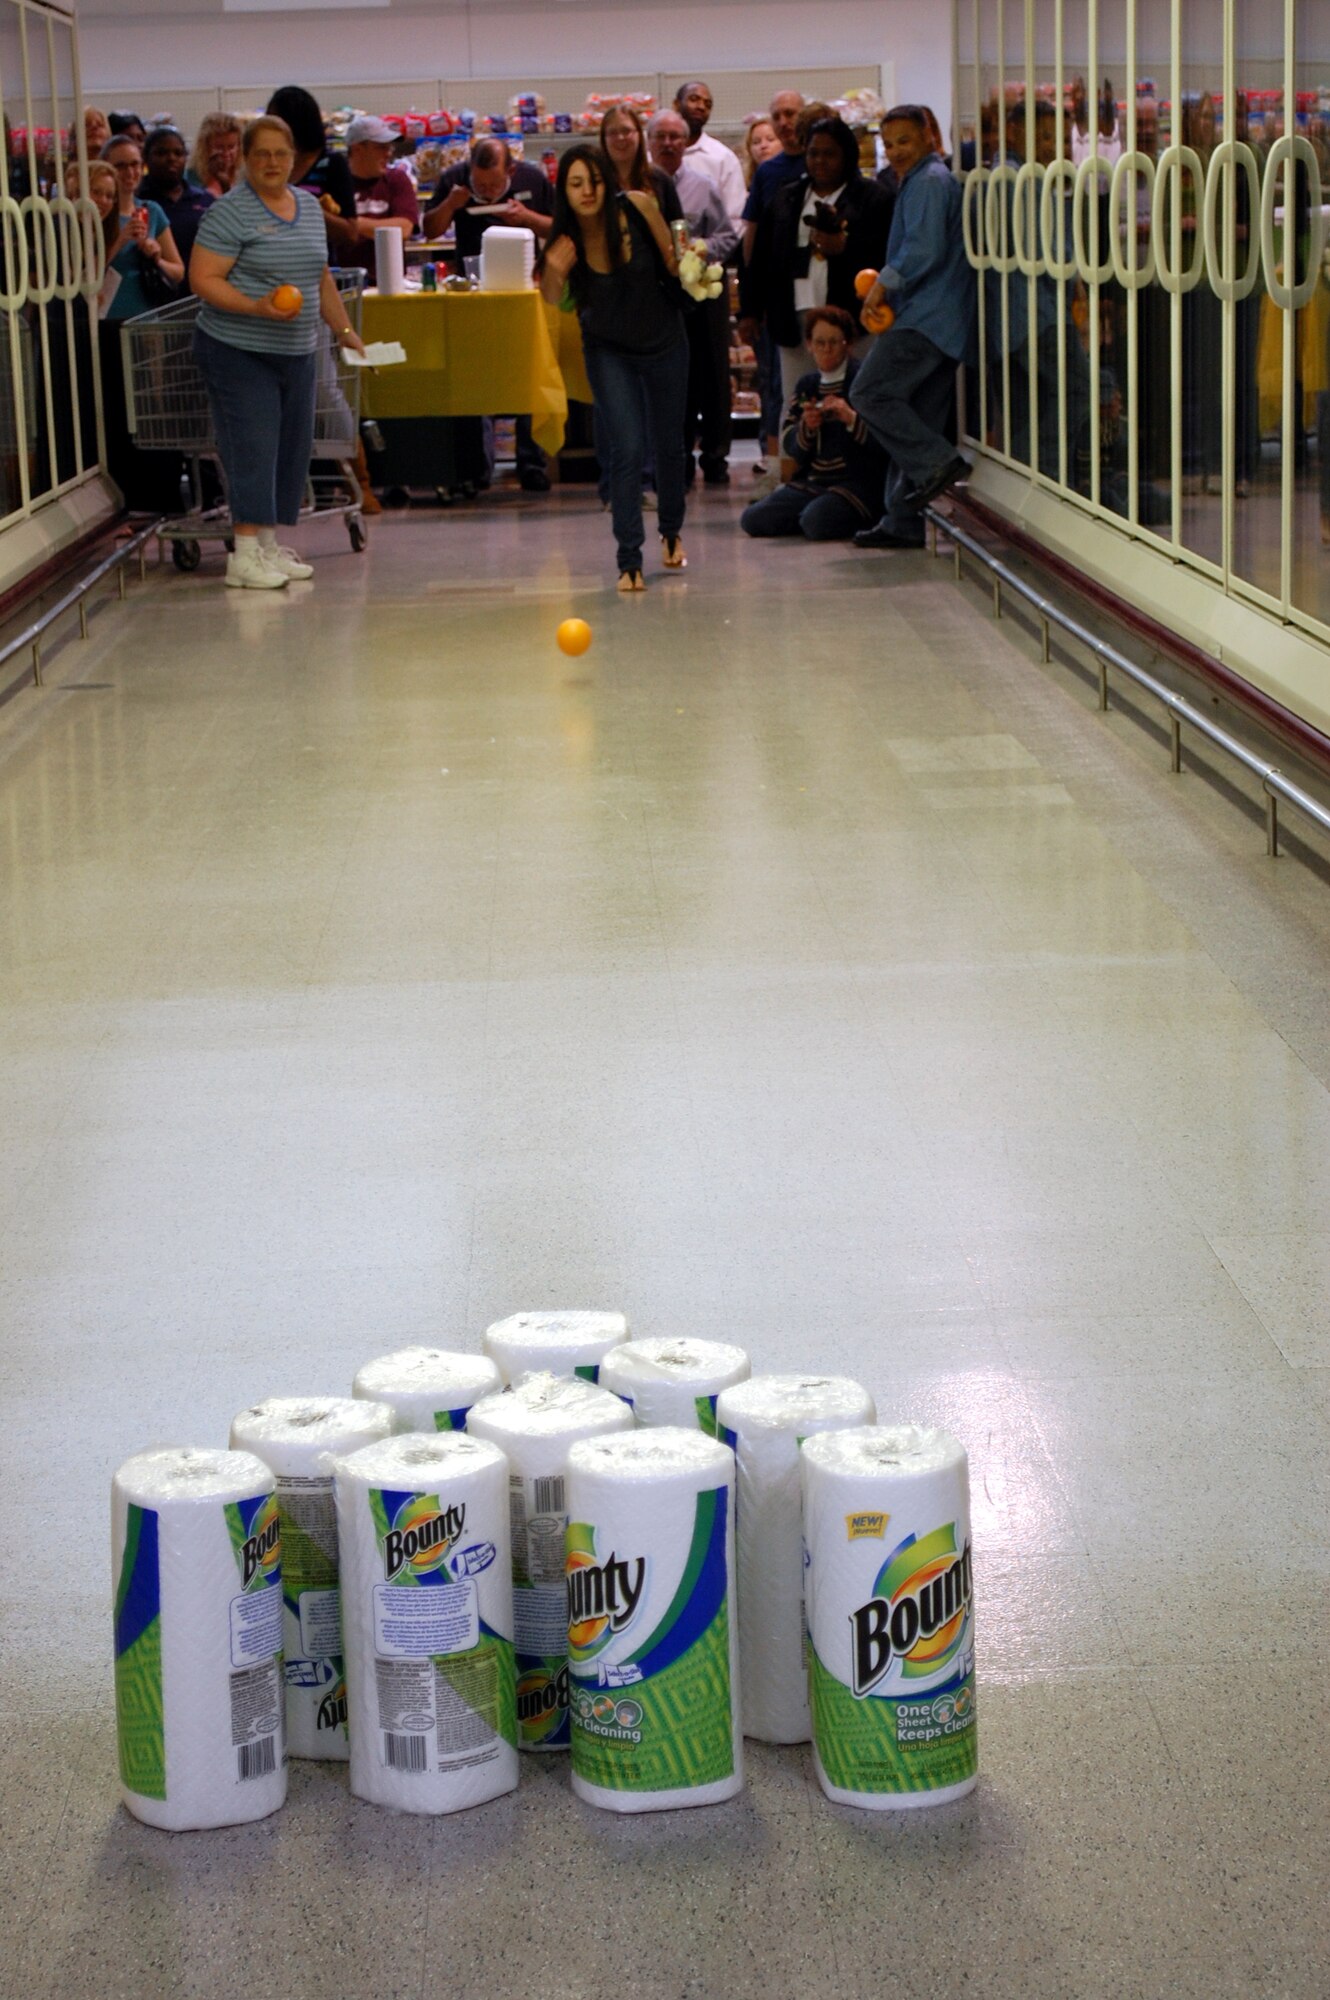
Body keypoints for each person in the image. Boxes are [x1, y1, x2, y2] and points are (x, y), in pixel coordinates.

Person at [189, 113, 365, 589]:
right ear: (245, 160)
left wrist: (344, 329)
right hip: (237, 349)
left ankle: (266, 547)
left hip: (297, 350)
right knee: (253, 447)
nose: (271, 162)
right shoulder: (229, 212)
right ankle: (243, 555)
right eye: (261, 154)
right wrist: (256, 306)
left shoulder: (307, 208)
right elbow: (202, 279)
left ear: (295, 160)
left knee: (289, 450)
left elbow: (320, 276)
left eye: (280, 154)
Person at [540, 145, 687, 589]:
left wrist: (692, 263)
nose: (588, 192)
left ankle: (671, 531)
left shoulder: (639, 206)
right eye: (576, 183)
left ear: (608, 179)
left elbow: (675, 262)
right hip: (608, 350)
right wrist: (552, 270)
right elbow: (551, 299)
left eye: (595, 180)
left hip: (664, 340)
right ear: (563, 192)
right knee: (625, 447)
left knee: (669, 443)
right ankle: (629, 559)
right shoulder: (565, 242)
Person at [849, 105, 973, 550]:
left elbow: (923, 249)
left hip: (926, 318)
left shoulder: (929, 183)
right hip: (944, 321)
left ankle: (938, 462)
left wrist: (884, 284)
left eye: (905, 140)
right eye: (889, 144)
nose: (897, 151)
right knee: (917, 412)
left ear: (927, 137)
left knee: (869, 393)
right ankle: (902, 519)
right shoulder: (923, 181)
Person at [425, 137, 556, 492]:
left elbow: (559, 228)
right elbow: (429, 229)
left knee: (529, 373)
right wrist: (452, 205)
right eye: (479, 184)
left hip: (526, 295)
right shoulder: (455, 179)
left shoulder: (532, 180)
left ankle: (531, 462)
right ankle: (476, 467)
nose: (484, 190)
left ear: (510, 171)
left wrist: (525, 217)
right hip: (473, 297)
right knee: (473, 377)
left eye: (493, 185)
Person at [743, 115, 893, 411]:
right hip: (794, 317)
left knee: (857, 399)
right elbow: (760, 258)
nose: (820, 161)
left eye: (829, 153)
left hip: (853, 319)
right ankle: (797, 457)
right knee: (798, 404)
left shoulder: (874, 198)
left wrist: (845, 247)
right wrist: (750, 310)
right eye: (813, 153)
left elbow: (886, 254)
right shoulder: (786, 197)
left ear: (846, 156)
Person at [647, 108, 739, 487]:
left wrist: (701, 249)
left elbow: (727, 237)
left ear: (686, 143)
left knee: (713, 377)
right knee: (672, 380)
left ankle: (716, 459)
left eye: (675, 137)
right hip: (661, 301)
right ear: (649, 143)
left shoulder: (704, 185)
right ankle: (677, 459)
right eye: (661, 137)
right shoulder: (639, 190)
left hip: (704, 295)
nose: (669, 144)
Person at [740, 306, 888, 539]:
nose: (826, 350)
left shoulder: (863, 382)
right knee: (753, 519)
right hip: (814, 482)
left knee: (815, 521)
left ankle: (831, 514)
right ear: (809, 345)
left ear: (847, 344)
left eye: (834, 342)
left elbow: (884, 439)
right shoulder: (807, 385)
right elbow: (790, 442)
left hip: (856, 483)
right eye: (820, 343)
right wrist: (806, 428)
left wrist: (850, 418)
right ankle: (814, 512)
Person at [265, 87, 357, 257]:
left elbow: (350, 233)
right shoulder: (269, 166)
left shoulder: (331, 164)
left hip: (316, 267)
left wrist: (302, 207)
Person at [342, 114, 419, 282]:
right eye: (381, 147)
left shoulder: (396, 179)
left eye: (389, 147)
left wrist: (351, 224)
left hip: (388, 284)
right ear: (357, 149)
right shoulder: (335, 183)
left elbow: (404, 228)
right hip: (342, 285)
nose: (389, 153)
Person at [137, 126, 213, 281]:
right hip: (156, 295)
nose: (171, 158)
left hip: (199, 292)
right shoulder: (138, 202)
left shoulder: (206, 200)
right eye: (161, 153)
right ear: (145, 158)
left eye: (178, 153)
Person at [674, 80, 747, 227]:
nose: (701, 107)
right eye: (694, 99)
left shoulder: (723, 158)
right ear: (676, 104)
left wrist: (713, 248)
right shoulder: (655, 152)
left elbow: (735, 217)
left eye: (708, 104)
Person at [600, 104, 681, 220]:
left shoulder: (660, 179)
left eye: (626, 131)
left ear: (639, 135)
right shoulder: (597, 181)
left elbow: (677, 226)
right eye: (612, 133)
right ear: (604, 139)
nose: (620, 137)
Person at [188, 112, 243, 197]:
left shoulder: (245, 177)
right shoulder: (191, 178)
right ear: (204, 147)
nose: (226, 153)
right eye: (219, 147)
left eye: (231, 147)